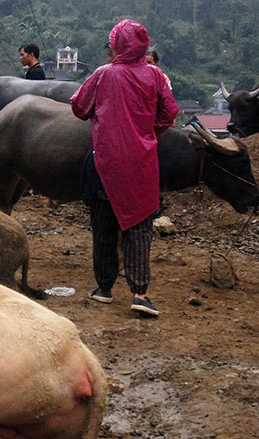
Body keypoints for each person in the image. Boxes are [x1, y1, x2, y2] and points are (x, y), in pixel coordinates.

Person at [70, 19, 178, 318]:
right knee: (140, 227)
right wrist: (146, 132)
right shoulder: (155, 75)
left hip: (104, 162)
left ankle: (104, 288)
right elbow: (169, 112)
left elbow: (79, 108)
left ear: (116, 45)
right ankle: (140, 293)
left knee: (103, 228)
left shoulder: (103, 75)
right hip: (141, 164)